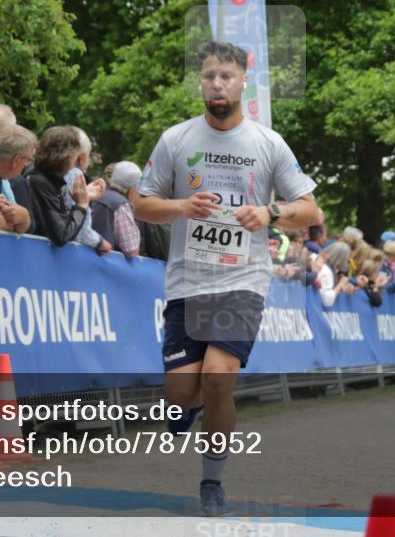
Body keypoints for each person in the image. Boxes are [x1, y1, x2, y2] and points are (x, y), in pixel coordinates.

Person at [133, 41, 318, 516]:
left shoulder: (267, 143)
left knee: (219, 377)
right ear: (201, 81)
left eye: (227, 76)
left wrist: (271, 211)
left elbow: (309, 209)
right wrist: (181, 206)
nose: (218, 84)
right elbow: (141, 203)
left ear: (243, 83)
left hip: (243, 279)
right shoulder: (176, 139)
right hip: (187, 282)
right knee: (180, 391)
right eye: (210, 76)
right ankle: (187, 407)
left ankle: (212, 480)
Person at [25, 126, 93, 246]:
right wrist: (81, 206)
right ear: (66, 156)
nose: (76, 161)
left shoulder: (50, 181)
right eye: (75, 156)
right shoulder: (40, 183)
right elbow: (62, 234)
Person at [91, 161, 141, 258]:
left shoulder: (95, 192)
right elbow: (131, 250)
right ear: (132, 191)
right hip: (103, 264)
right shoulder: (121, 205)